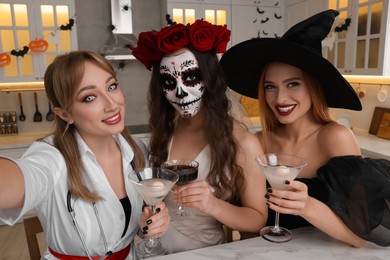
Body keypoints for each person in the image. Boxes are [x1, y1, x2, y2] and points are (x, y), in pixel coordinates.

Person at [220, 9, 390, 247]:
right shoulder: (258, 143)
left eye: (293, 84)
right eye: (270, 86)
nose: (280, 98)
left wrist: (308, 206)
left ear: (313, 87)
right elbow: (250, 230)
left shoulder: (334, 137)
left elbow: (359, 237)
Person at [0, 51, 171, 259]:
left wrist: (147, 227)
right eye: (89, 97)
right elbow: (19, 179)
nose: (112, 104)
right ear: (65, 114)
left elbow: (124, 226)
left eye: (112, 86)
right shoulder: (52, 156)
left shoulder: (136, 150)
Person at [132, 20, 268, 253]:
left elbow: (257, 219)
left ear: (210, 77)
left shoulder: (242, 142)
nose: (180, 91)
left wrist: (213, 205)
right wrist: (145, 225)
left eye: (191, 77)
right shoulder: (165, 132)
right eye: (168, 82)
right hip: (155, 253)